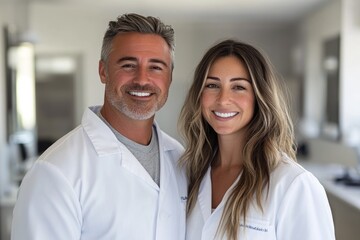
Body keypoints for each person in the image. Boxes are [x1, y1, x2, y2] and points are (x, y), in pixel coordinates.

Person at [11, 13, 187, 240]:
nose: (142, 79)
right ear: (103, 71)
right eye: (128, 65)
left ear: (170, 77)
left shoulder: (181, 160)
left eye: (156, 67)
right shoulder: (56, 172)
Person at [178, 39, 335, 240]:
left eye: (239, 87)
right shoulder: (189, 174)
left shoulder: (293, 184)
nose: (223, 99)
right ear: (199, 95)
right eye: (212, 85)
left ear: (260, 96)